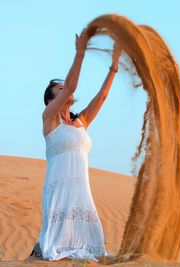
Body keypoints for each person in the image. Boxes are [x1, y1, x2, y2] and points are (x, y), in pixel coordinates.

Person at [29, 28, 122, 261]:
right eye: (59, 90)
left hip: (81, 190)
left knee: (92, 251)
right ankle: (40, 250)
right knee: (60, 250)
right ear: (51, 100)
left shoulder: (81, 121)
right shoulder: (49, 119)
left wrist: (114, 64)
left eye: (64, 88)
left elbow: (102, 96)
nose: (65, 90)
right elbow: (71, 87)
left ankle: (40, 249)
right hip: (59, 188)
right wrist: (79, 53)